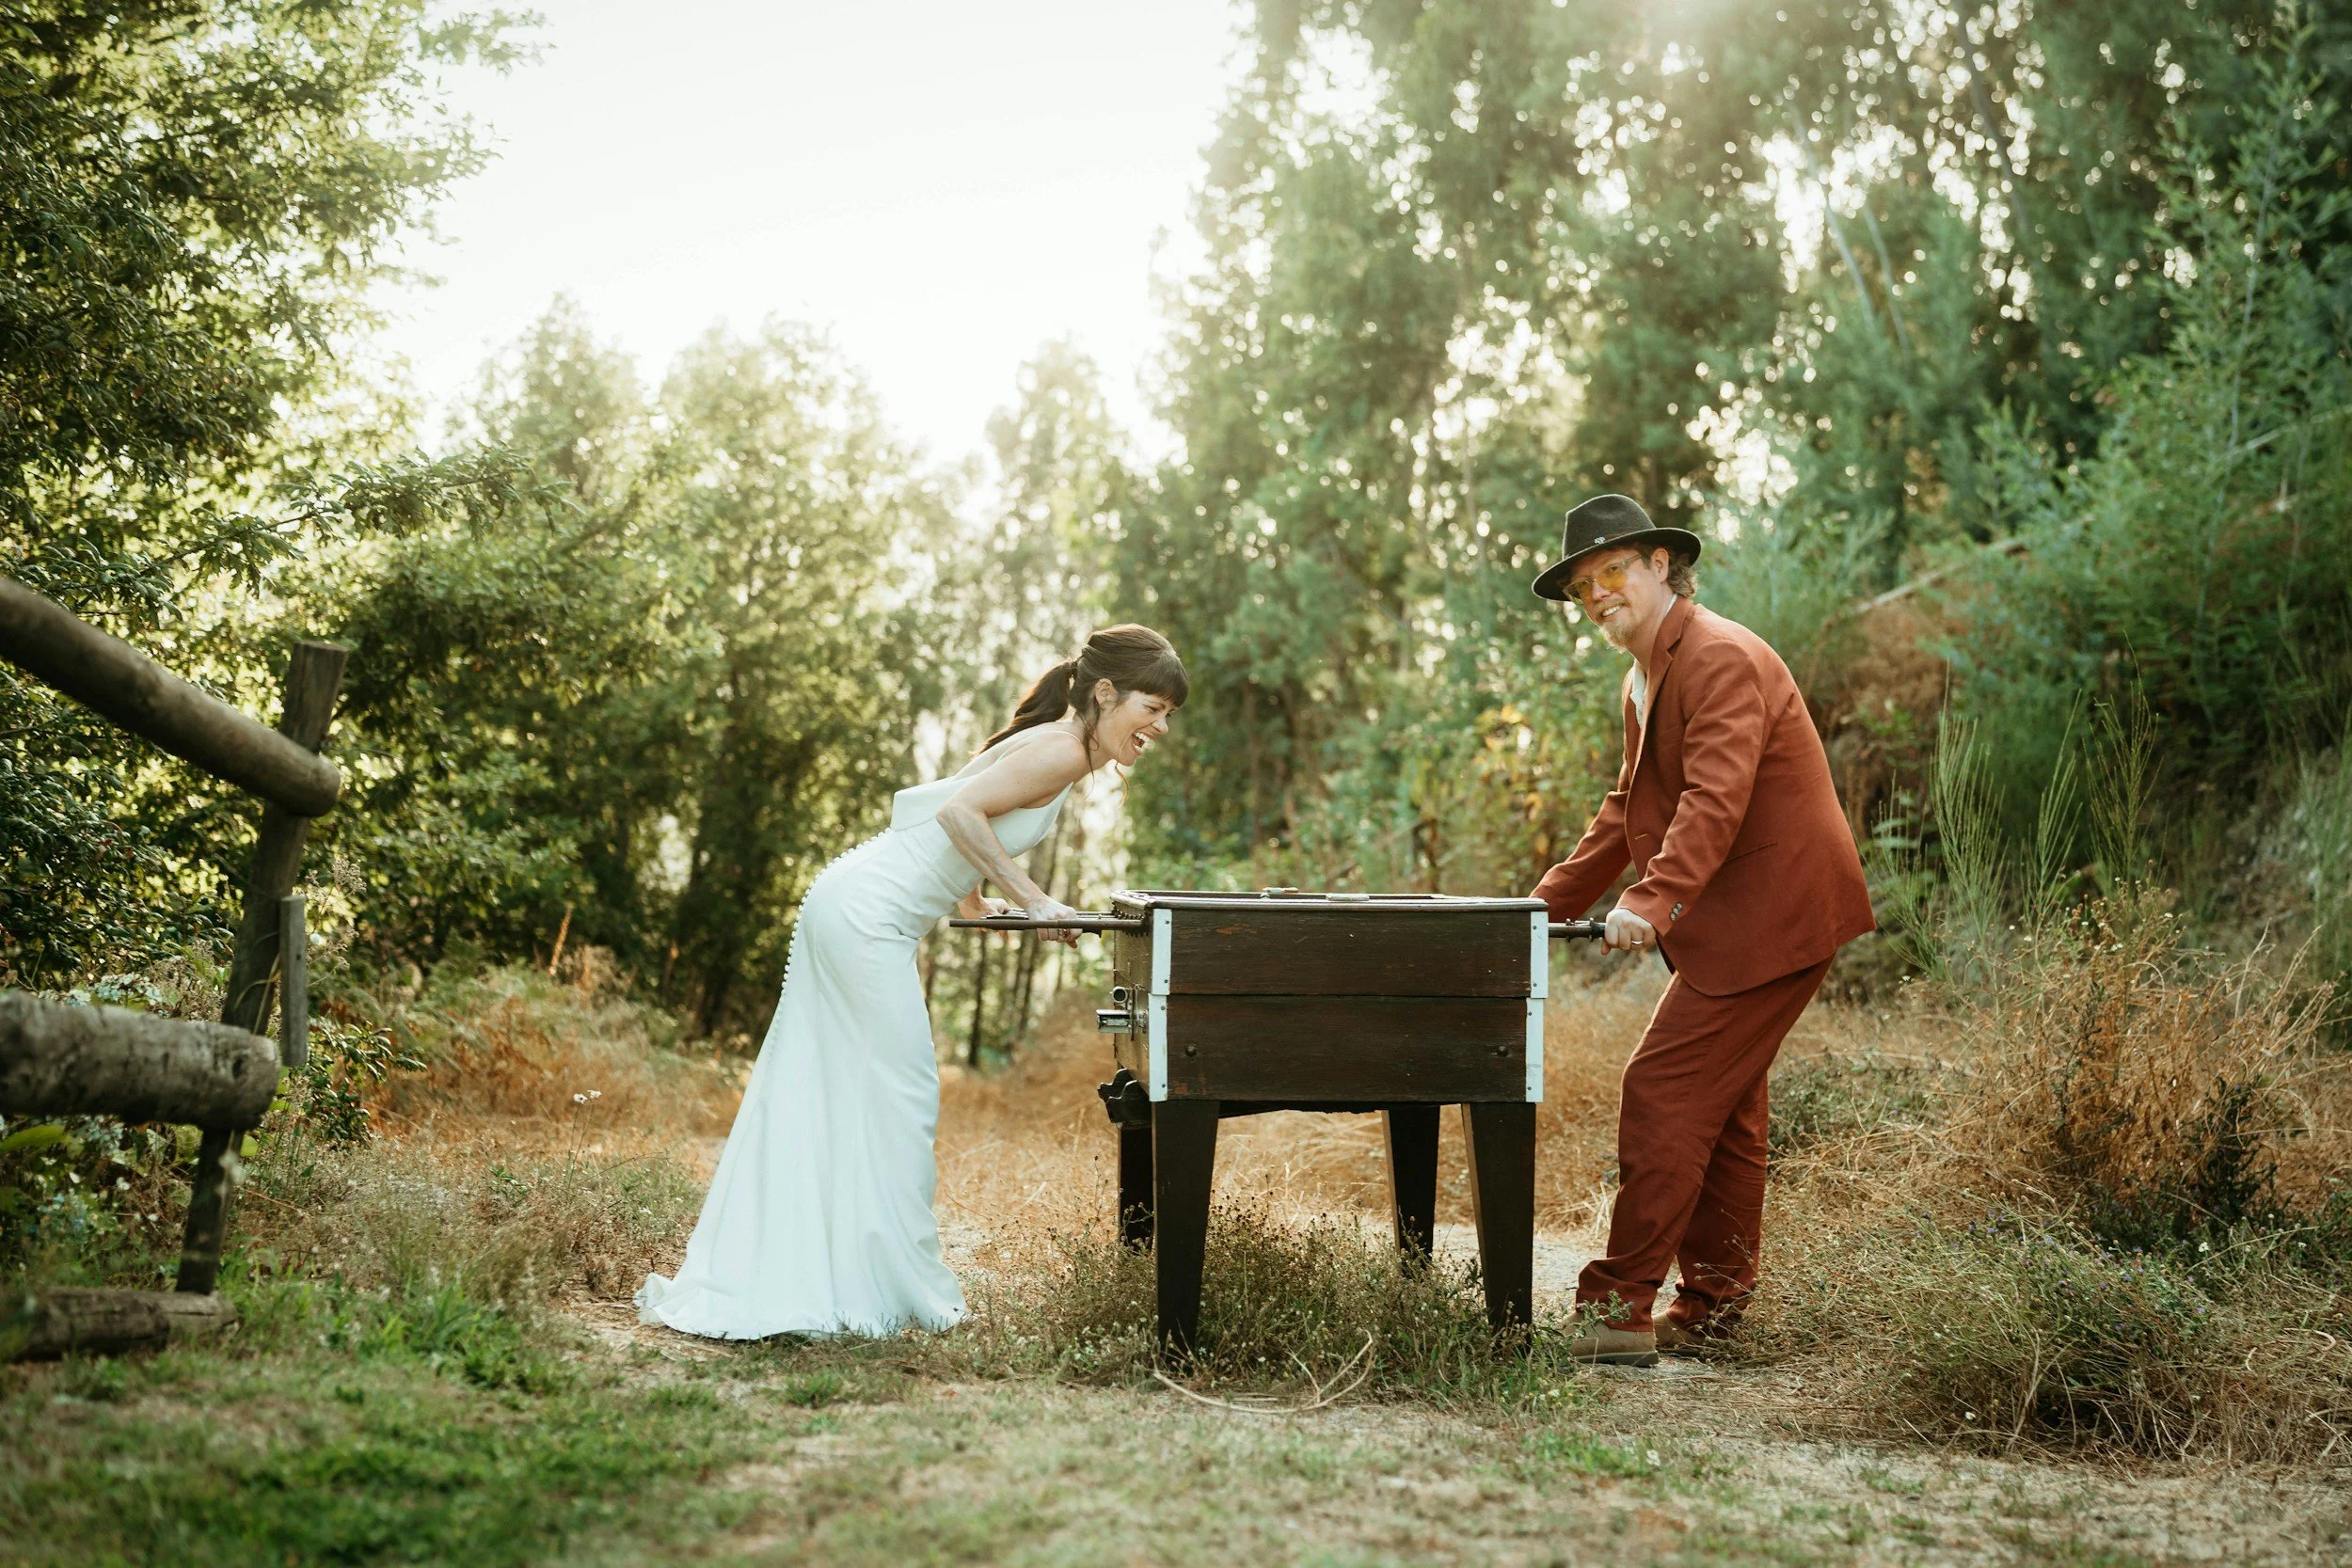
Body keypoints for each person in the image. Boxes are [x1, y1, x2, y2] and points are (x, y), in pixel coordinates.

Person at [639, 625, 1187, 1338]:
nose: (1159, 726)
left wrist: (972, 899)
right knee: (903, 1094)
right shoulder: (1059, 748)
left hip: (854, 903)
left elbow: (964, 803)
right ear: (1106, 693)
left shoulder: (1055, 740)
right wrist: (1034, 899)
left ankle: (842, 1273)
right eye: (1152, 706)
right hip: (866, 917)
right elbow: (958, 812)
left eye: (1168, 714)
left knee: (842, 1091)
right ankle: (884, 1287)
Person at [1526, 495, 1872, 1365]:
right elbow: (1627, 808)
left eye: (1614, 571)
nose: (1599, 592)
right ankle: (1713, 1310)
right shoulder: (1644, 675)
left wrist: (1652, 900)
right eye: (1582, 585)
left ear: (1659, 567)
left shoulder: (1715, 656)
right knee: (1726, 1113)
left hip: (1780, 912)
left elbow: (1715, 796)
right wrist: (1542, 905)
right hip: (1745, 921)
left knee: (1663, 1089)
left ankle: (1618, 1310)